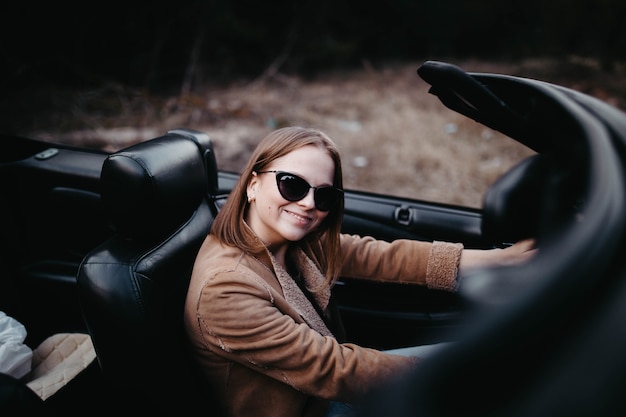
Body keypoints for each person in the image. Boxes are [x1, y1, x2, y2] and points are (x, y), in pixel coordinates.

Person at [184, 126, 536, 417]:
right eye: (292, 184)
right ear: (253, 184)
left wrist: (501, 259)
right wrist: (450, 374)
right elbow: (331, 367)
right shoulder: (225, 287)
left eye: (324, 196)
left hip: (322, 397)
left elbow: (381, 256)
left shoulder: (287, 241)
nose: (308, 203)